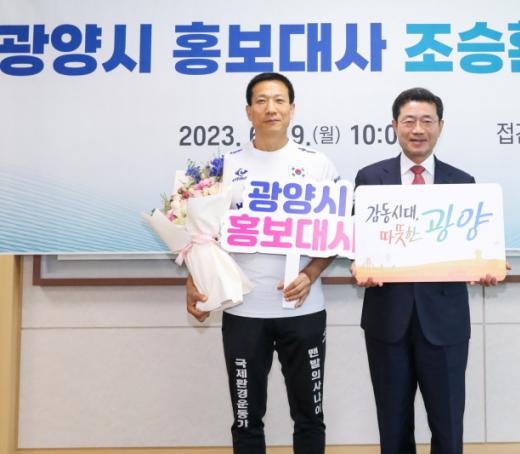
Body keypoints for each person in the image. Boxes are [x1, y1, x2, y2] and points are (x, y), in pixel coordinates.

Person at [186, 72, 337, 454]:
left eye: (279, 100)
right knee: (246, 418)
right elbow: (201, 237)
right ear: (248, 110)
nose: (271, 108)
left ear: (292, 109)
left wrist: (310, 273)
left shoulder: (316, 164)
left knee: (310, 415)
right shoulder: (222, 168)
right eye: (261, 100)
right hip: (243, 310)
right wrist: (194, 279)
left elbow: (336, 233)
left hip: (303, 309)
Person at [351, 87, 503, 454]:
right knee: (393, 425)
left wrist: (485, 266)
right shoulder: (370, 179)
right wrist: (358, 263)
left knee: (448, 425)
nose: (418, 129)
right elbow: (357, 242)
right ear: (394, 126)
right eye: (409, 121)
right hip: (387, 320)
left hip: (445, 322)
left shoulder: (462, 182)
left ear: (440, 126)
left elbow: (474, 245)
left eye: (426, 121)